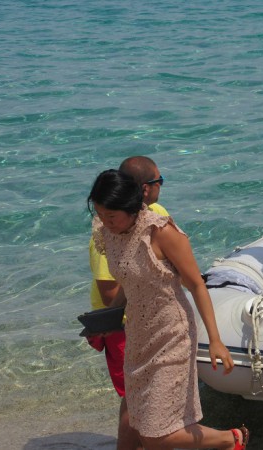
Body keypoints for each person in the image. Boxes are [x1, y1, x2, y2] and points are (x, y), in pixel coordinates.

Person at [88, 169, 248, 450]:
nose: (104, 222)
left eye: (110, 216)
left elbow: (197, 285)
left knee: (157, 433)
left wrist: (215, 340)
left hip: (171, 334)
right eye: (100, 214)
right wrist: (108, 317)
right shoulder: (108, 232)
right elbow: (129, 279)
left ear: (131, 207)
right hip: (138, 336)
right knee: (142, 423)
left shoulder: (162, 232)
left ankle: (230, 439)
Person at [86, 156, 169, 450]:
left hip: (153, 321)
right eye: (159, 182)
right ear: (145, 189)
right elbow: (111, 296)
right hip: (122, 324)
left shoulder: (156, 214)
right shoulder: (105, 230)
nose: (162, 187)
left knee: (149, 395)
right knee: (133, 398)